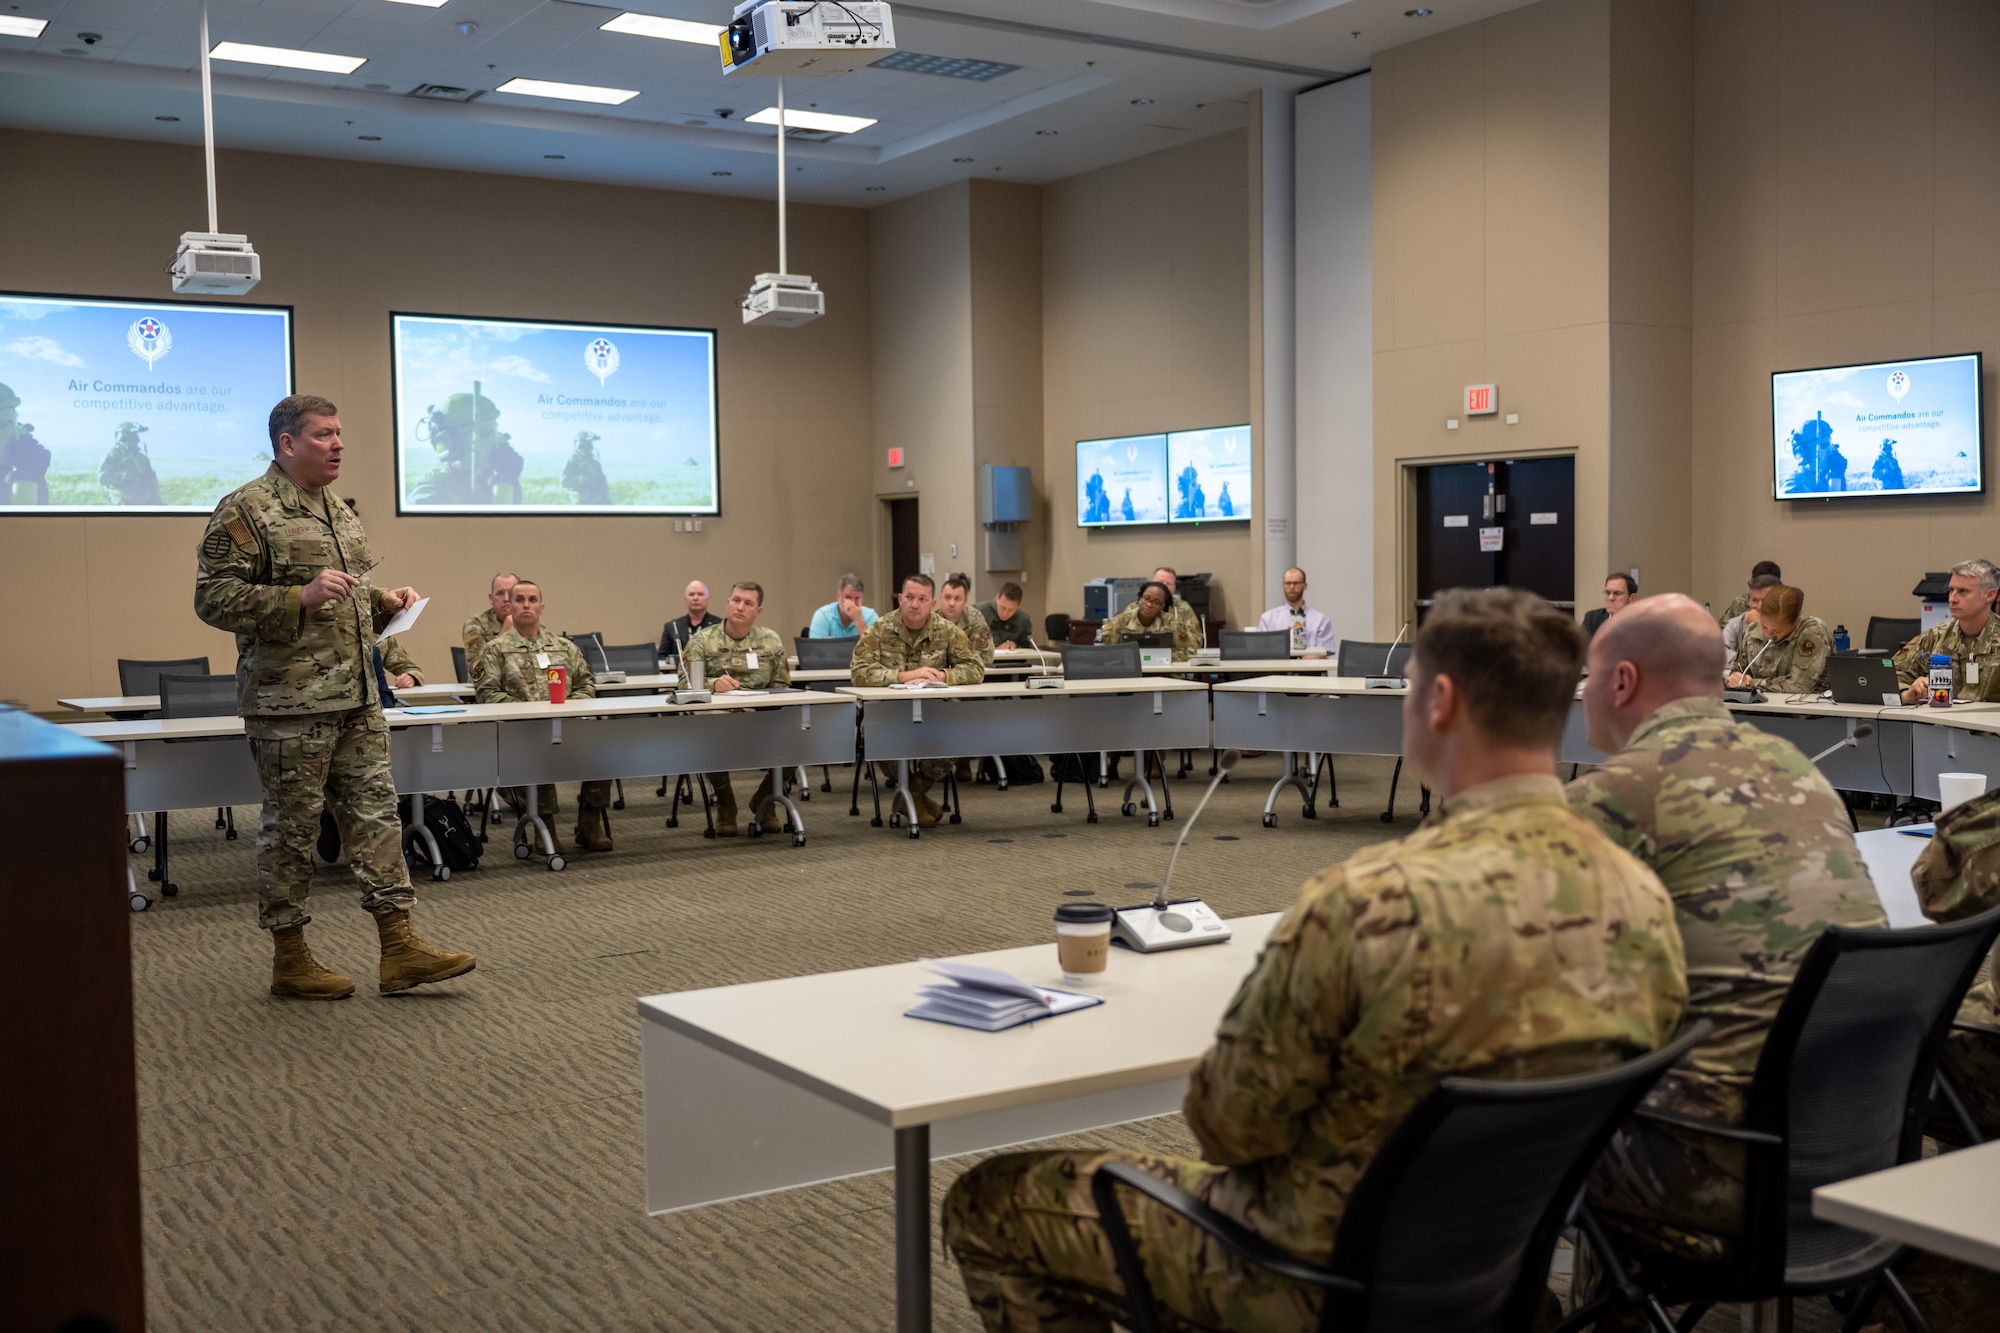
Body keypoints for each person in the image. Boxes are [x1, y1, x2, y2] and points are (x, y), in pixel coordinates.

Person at [942, 587, 1688, 1330]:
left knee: (989, 1201)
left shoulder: (1368, 902)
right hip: (1494, 1270)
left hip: (1307, 1273)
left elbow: (1228, 1127)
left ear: (1441, 703)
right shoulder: (1643, 900)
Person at [1566, 594, 1883, 1302]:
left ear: (1621, 682)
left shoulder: (1617, 793)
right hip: (1859, 1140)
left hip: (1720, 1164)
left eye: (1586, 676)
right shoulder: (1799, 767)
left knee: (1502, 1133)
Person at [194, 393, 475, 1000]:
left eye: (341, 433)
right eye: (324, 434)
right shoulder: (246, 510)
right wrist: (298, 596)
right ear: (288, 443)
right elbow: (212, 600)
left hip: (356, 697)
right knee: (292, 831)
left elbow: (346, 595)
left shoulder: (341, 515)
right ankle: (290, 957)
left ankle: (399, 947)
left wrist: (382, 601)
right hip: (289, 705)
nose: (339, 443)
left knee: (377, 820)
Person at [475, 579, 614, 854]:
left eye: (532, 599)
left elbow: (587, 685)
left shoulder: (564, 647)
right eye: (519, 600)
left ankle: (589, 827)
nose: (526, 605)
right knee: (539, 753)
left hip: (568, 730)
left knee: (604, 750)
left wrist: (571, 710)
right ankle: (545, 829)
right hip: (521, 734)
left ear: (542, 607)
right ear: (510, 607)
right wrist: (531, 715)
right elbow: (487, 694)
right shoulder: (495, 650)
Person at [850, 573, 985, 827]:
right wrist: (903, 676)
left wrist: (943, 676)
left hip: (933, 713)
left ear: (932, 604)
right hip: (888, 715)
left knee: (959, 730)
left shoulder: (947, 631)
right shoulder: (880, 629)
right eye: (910, 597)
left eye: (922, 599)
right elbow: (858, 671)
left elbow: (975, 668)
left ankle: (914, 792)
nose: (915, 604)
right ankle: (915, 797)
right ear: (900, 599)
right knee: (874, 731)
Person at [683, 581, 792, 836]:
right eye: (736, 600)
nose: (740, 607)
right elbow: (685, 684)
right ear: (727, 603)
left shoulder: (770, 640)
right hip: (720, 718)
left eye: (748, 603)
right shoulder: (702, 640)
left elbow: (782, 685)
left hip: (760, 717)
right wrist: (712, 684)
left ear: (758, 611)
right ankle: (725, 804)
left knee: (798, 730)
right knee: (709, 724)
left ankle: (765, 801)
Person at [1894, 558, 2000, 704]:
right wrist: (1908, 693)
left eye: (1963, 591)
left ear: (1990, 595)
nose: (1952, 598)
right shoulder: (1935, 638)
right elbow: (1889, 676)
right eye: (1951, 590)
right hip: (1941, 725)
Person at [1727, 583, 1831, 695]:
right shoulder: (1753, 630)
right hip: (1755, 708)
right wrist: (1734, 679)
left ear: (1795, 622)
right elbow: (1736, 672)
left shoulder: (1813, 633)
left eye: (1775, 631)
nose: (1767, 634)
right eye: (1764, 626)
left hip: (1803, 709)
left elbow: (1798, 687)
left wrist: (1751, 684)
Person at [1101, 580, 1198, 660]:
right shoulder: (1120, 621)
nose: (1149, 605)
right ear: (1139, 598)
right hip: (1131, 673)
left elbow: (1190, 650)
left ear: (1162, 606)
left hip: (1165, 673)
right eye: (1146, 599)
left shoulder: (1172, 623)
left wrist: (1165, 658)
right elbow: (1106, 652)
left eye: (1156, 602)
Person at [1255, 565, 1335, 653]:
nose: (1292, 587)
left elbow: (1323, 652)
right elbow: (1260, 651)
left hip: (1309, 666)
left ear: (1305, 586)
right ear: (1283, 587)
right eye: (1288, 583)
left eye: (1296, 583)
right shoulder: (1268, 618)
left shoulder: (1321, 620)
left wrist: (1299, 663)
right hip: (1277, 666)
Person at [1117, 566, 1202, 647]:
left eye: (1168, 584)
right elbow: (1121, 639)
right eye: (1160, 582)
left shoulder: (1183, 608)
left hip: (1173, 657)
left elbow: (1197, 640)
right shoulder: (1134, 607)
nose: (1164, 586)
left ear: (1174, 588)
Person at [462, 572, 517, 685]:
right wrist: (505, 633)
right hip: (487, 691)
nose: (506, 599)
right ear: (491, 599)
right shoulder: (475, 624)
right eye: (500, 593)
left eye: (511, 593)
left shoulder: (530, 623)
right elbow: (477, 670)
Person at [1719, 572, 1780, 664]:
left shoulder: (1786, 625)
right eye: (1755, 600)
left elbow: (1777, 658)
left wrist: (1757, 625)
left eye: (1765, 600)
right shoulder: (1736, 624)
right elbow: (1721, 652)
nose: (1759, 606)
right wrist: (1744, 662)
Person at [937, 573, 994, 666]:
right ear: (940, 598)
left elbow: (986, 656)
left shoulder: (975, 619)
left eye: (957, 599)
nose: (951, 603)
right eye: (947, 598)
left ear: (965, 601)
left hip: (969, 676)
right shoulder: (933, 620)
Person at [659, 579, 722, 660]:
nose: (695, 598)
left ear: (708, 599)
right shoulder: (672, 627)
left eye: (700, 594)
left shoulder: (719, 625)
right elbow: (661, 657)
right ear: (685, 599)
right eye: (691, 594)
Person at [1715, 560, 1782, 628]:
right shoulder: (1741, 602)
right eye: (1755, 600)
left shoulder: (1785, 603)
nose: (1759, 606)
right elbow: (1721, 630)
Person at [809, 573, 878, 638]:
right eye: (848, 597)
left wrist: (858, 620)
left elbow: (874, 649)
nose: (853, 603)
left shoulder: (871, 616)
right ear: (838, 596)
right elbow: (815, 649)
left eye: (857, 598)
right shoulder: (823, 616)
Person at [973, 581, 1032, 650]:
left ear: (1018, 606)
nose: (1005, 614)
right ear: (997, 598)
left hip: (1012, 660)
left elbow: (1027, 648)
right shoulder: (977, 611)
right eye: (1003, 608)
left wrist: (1015, 645)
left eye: (1011, 610)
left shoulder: (1023, 620)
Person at [1583, 572, 1637, 637]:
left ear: (1632, 598)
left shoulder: (1642, 623)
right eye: (1608, 593)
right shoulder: (1592, 619)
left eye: (1617, 593)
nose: (1610, 598)